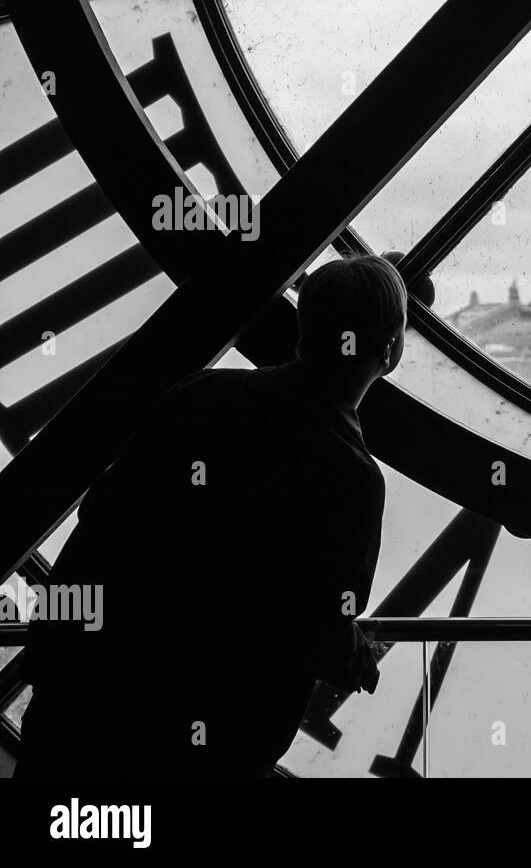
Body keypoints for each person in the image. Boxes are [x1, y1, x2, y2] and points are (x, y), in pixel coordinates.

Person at [17, 254, 407, 777]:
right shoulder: (354, 482)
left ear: (303, 328)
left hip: (86, 698)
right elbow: (318, 625)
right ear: (390, 351)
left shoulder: (202, 395)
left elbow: (108, 518)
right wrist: (357, 658)